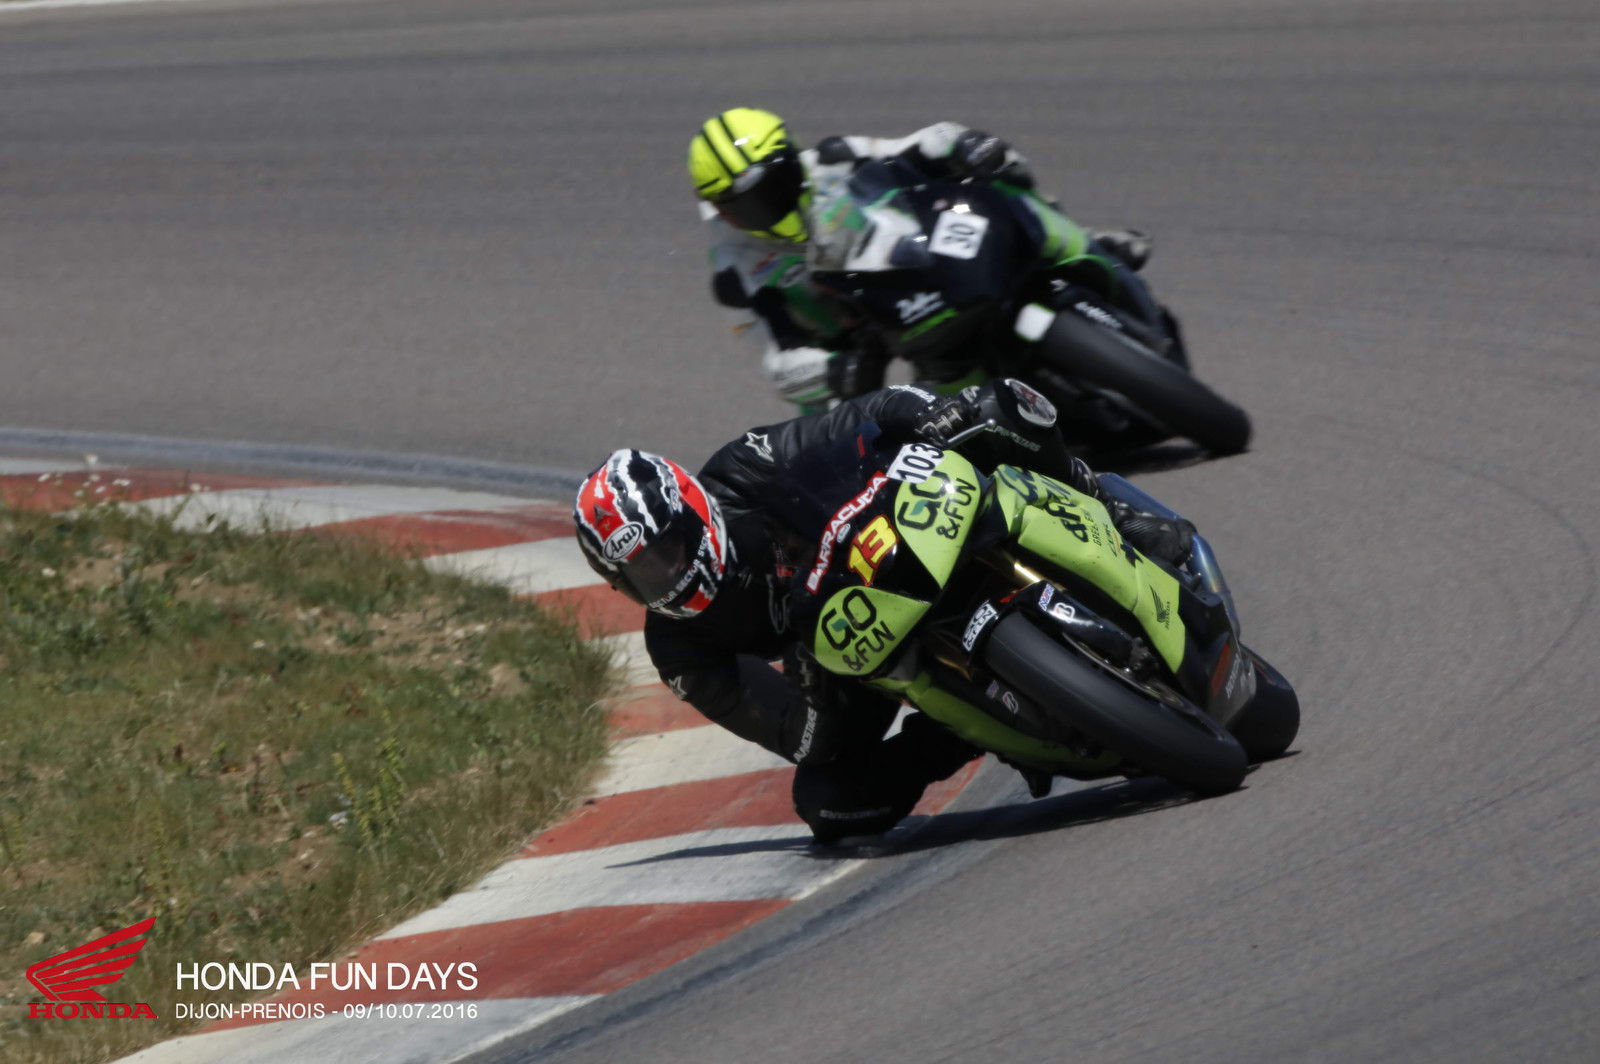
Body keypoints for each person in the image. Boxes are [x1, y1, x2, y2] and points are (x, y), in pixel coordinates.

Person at [572, 381, 1193, 844]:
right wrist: (812, 686)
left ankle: (1112, 510)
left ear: (691, 509)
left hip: (892, 536)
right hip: (847, 656)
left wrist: (926, 412)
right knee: (828, 803)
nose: (668, 577)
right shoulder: (678, 649)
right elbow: (796, 738)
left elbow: (862, 414)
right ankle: (961, 731)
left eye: (669, 552)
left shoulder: (744, 468)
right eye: (643, 575)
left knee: (994, 407)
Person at [687, 107, 1163, 412]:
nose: (768, 207)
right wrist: (828, 369)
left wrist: (964, 145)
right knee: (847, 443)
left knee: (1001, 178)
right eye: (747, 205)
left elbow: (915, 146)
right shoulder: (733, 269)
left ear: (792, 157)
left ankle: (1083, 239)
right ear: (723, 212)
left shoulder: (831, 158)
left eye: (776, 184)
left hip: (911, 266)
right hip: (858, 343)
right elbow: (775, 361)